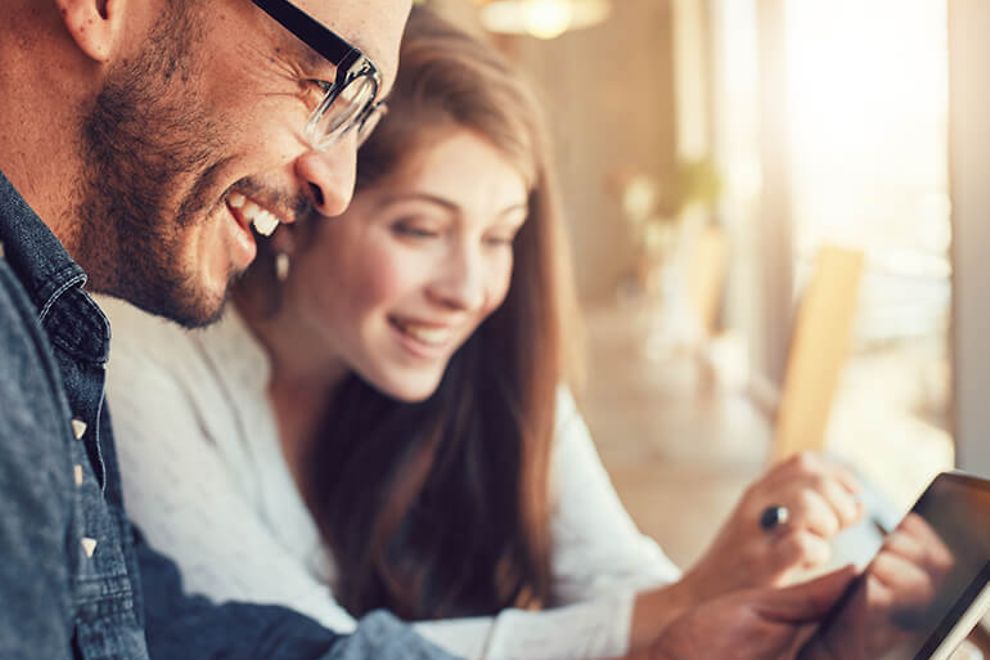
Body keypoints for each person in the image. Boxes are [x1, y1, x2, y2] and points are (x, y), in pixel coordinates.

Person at [103, 8, 873, 659]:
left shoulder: (487, 357)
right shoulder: (136, 359)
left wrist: (739, 590)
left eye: (500, 236)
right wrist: (671, 614)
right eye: (420, 229)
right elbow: (318, 649)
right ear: (307, 204)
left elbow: (619, 576)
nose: (468, 291)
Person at [0, 0, 462, 657]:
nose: (338, 187)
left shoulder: (43, 323)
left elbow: (155, 620)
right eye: (329, 80)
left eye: (363, 116)